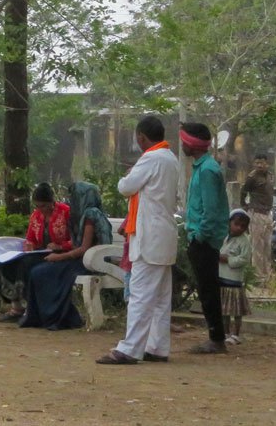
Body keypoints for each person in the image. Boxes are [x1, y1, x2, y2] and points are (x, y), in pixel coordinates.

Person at [97, 114, 179, 366]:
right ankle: (157, 346)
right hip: (163, 234)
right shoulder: (171, 158)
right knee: (161, 298)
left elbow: (125, 186)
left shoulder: (151, 158)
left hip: (150, 237)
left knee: (141, 296)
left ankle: (130, 348)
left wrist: (131, 173)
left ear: (141, 137)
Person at [20, 181, 112, 330]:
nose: (72, 200)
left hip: (88, 261)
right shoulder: (81, 215)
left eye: (75, 196)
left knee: (41, 272)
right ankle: (44, 316)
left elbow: (83, 248)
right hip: (77, 258)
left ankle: (61, 318)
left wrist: (59, 257)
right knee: (38, 270)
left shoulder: (91, 215)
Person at [181, 121, 230, 355]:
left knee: (208, 289)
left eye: (184, 140)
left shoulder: (208, 170)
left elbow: (210, 211)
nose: (182, 144)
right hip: (201, 237)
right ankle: (216, 337)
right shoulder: (204, 167)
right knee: (206, 288)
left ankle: (216, 339)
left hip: (204, 239)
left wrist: (199, 236)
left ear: (192, 144)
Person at [0, 183, 71, 322]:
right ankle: (16, 306)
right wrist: (29, 245)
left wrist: (60, 246)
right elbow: (30, 238)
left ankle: (31, 308)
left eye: (43, 206)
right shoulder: (35, 216)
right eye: (37, 206)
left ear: (51, 202)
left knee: (25, 265)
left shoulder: (66, 212)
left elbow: (76, 239)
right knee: (7, 263)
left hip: (60, 254)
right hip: (38, 252)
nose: (40, 209)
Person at [241, 154, 275, 288]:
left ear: (267, 163)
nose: (259, 165)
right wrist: (244, 205)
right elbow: (243, 192)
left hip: (268, 213)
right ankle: (258, 278)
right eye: (257, 163)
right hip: (256, 213)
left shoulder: (270, 176)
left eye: (262, 163)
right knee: (257, 247)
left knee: (267, 246)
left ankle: (267, 275)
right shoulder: (252, 177)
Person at [219, 210, 252, 345]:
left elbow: (244, 259)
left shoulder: (244, 241)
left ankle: (236, 334)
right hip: (222, 278)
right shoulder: (224, 236)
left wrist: (228, 259)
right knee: (225, 310)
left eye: (242, 226)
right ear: (229, 223)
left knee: (236, 311)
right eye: (236, 224)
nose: (239, 228)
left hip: (234, 281)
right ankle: (226, 332)